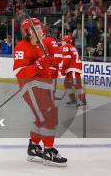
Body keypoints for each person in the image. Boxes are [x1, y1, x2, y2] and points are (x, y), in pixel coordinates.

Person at [13, 18, 67, 166]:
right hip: (30, 85)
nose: (39, 31)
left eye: (39, 28)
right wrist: (37, 67)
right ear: (26, 32)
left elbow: (53, 62)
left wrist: (53, 66)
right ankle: (48, 150)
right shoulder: (22, 47)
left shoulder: (43, 44)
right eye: (35, 29)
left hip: (43, 85)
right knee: (48, 117)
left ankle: (34, 147)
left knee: (42, 117)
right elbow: (18, 71)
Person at [60, 35, 85, 106]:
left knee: (77, 84)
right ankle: (73, 100)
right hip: (72, 69)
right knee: (67, 84)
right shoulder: (72, 47)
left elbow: (66, 58)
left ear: (66, 41)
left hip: (73, 69)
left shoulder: (66, 47)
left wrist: (62, 69)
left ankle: (82, 100)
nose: (62, 42)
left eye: (63, 40)